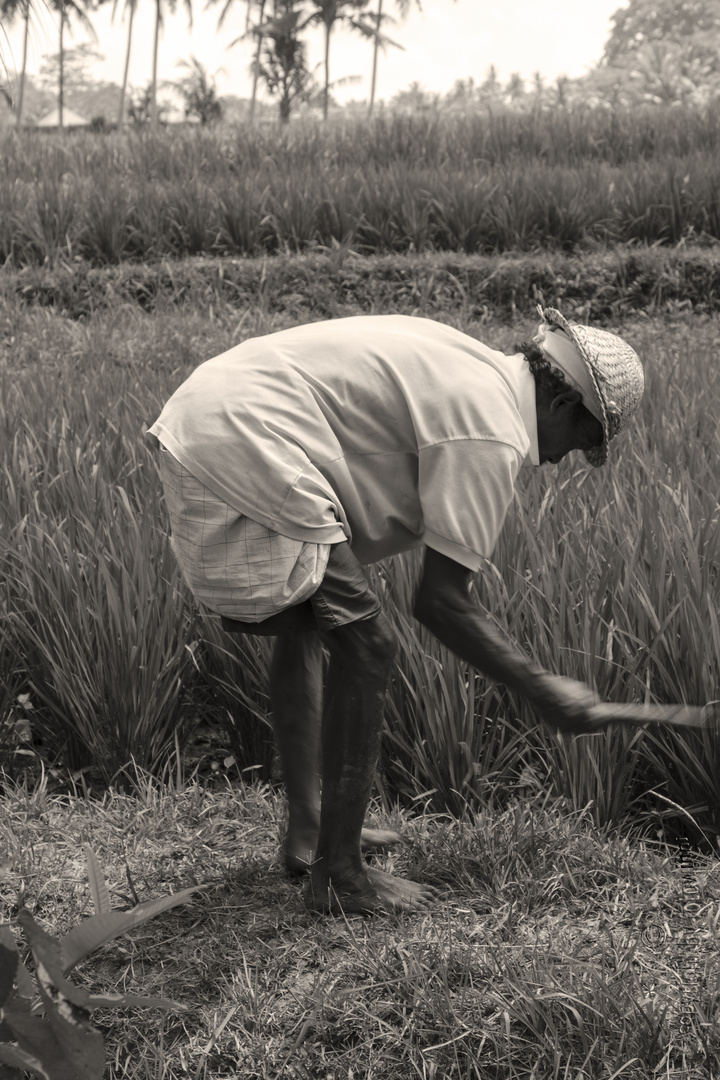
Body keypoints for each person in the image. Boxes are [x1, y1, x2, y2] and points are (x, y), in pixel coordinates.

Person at [146, 307, 644, 915]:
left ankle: (308, 831)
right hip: (250, 435)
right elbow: (440, 603)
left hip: (214, 410)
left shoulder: (476, 368)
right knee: (369, 644)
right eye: (585, 441)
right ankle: (341, 875)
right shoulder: (491, 429)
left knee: (314, 626)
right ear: (565, 405)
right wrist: (544, 690)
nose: (566, 458)